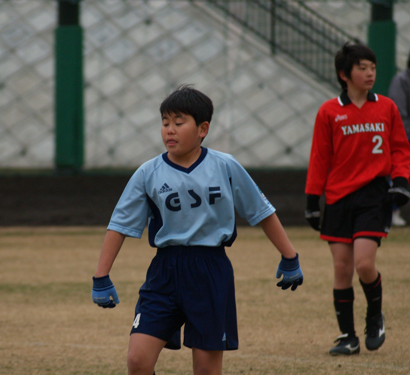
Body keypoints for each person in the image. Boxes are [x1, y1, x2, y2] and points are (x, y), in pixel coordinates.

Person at [92, 85, 304, 375]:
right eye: (165, 123)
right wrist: (101, 276)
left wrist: (289, 256)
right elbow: (119, 225)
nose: (170, 130)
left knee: (206, 370)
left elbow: (261, 211)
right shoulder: (148, 173)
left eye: (179, 123)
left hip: (210, 272)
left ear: (202, 128)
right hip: (164, 273)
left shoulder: (225, 166)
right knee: (137, 361)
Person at [305, 42, 410, 356]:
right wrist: (312, 200)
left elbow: (400, 149)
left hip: (373, 197)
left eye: (372, 68)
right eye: (362, 68)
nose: (369, 73)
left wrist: (402, 181)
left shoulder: (387, 107)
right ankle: (348, 337)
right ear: (344, 74)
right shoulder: (329, 111)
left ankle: (374, 316)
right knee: (341, 269)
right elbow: (320, 158)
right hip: (338, 198)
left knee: (364, 264)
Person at [388, 50, 410, 226]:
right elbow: (399, 114)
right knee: (397, 175)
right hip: (405, 137)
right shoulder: (401, 81)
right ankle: (392, 210)